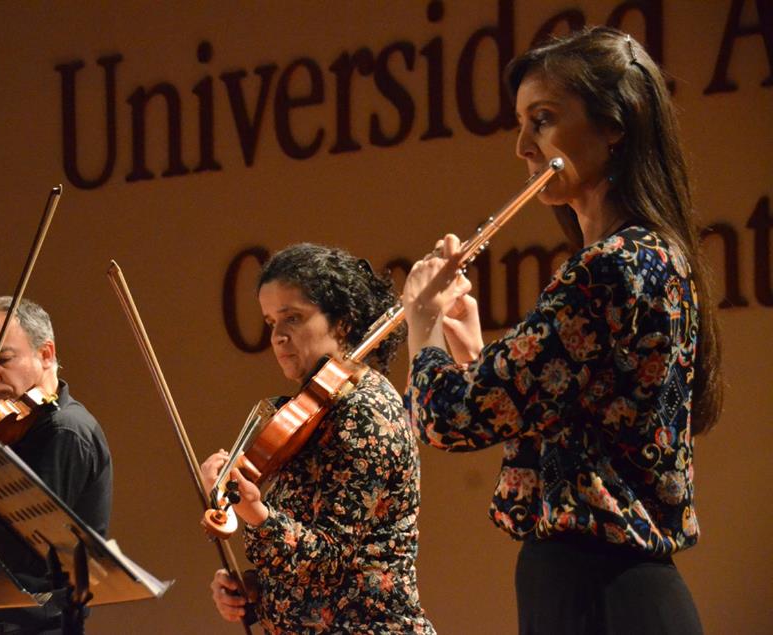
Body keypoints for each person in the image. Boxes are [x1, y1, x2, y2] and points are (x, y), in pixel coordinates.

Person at [401, 27, 722, 635]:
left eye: (542, 120)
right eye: (521, 123)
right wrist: (467, 346)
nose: (522, 146)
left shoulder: (608, 269)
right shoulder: (656, 256)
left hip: (598, 591)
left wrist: (422, 322)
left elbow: (447, 419)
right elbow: (555, 418)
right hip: (613, 588)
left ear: (614, 126)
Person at [200, 244, 435, 634]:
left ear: (342, 322)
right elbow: (309, 568)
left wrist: (255, 513)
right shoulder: (310, 413)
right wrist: (257, 590)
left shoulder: (366, 411)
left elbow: (331, 563)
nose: (277, 336)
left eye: (293, 318)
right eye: (270, 321)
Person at [0, 295, 114, 633]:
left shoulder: (66, 431)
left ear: (46, 354)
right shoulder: (7, 429)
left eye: (3, 359)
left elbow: (27, 548)